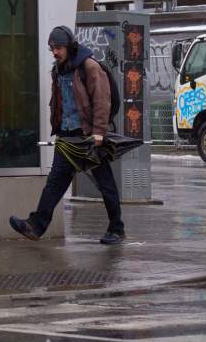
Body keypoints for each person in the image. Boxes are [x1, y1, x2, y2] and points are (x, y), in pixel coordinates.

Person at [9, 26, 125, 245]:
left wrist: (99, 132)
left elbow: (102, 100)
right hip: (67, 136)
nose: (55, 52)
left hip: (89, 136)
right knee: (55, 182)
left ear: (70, 47)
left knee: (105, 182)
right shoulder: (58, 69)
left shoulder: (89, 67)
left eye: (58, 47)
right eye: (52, 48)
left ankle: (117, 229)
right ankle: (36, 226)